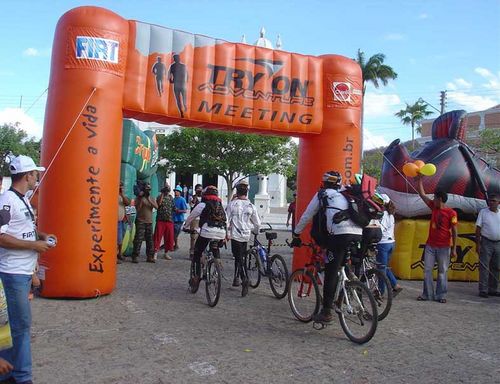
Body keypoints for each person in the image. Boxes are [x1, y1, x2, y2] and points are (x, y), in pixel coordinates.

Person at [0, 155, 57, 384]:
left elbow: (23, 230)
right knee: (21, 326)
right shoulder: (7, 200)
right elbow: (1, 236)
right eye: (35, 173)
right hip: (12, 272)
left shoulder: (22, 199)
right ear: (27, 176)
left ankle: (10, 372)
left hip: (23, 273)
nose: (37, 177)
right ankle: (23, 378)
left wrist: (42, 236)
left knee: (15, 326)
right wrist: (35, 245)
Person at [291, 171, 363, 323]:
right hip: (358, 233)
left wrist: (296, 233)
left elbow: (307, 215)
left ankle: (326, 312)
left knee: (330, 271)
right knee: (340, 262)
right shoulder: (346, 193)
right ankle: (350, 277)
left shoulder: (323, 195)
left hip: (340, 235)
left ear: (324, 183)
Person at [416, 176, 457, 303]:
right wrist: (420, 181)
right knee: (427, 270)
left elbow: (455, 231)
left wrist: (454, 248)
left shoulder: (452, 214)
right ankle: (427, 294)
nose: (433, 199)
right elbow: (422, 195)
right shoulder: (433, 207)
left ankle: (441, 295)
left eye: (434, 197)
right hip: (430, 246)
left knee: (442, 271)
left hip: (444, 247)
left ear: (440, 199)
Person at [183, 186, 227, 290]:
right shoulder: (221, 206)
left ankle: (197, 276)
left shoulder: (202, 205)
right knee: (215, 248)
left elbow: (191, 217)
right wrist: (226, 235)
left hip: (207, 232)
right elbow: (226, 220)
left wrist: (185, 227)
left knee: (197, 253)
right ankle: (217, 265)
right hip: (221, 232)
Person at [226, 181, 261, 296]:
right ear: (247, 192)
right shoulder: (251, 206)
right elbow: (258, 223)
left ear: (237, 191)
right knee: (242, 257)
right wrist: (255, 231)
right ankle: (237, 278)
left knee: (239, 257)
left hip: (235, 235)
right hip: (246, 235)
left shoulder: (232, 204)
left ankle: (244, 278)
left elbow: (226, 220)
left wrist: (226, 233)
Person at [376, 194, 403, 296]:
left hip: (382, 244)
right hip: (391, 243)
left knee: (381, 269)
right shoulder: (391, 214)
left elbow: (380, 230)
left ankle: (380, 292)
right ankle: (395, 285)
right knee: (384, 267)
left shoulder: (382, 215)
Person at [475, 194, 500, 298]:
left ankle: (493, 289)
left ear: (498, 202)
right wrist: (478, 244)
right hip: (486, 242)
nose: (491, 202)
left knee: (496, 267)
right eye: (490, 201)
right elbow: (478, 228)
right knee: (484, 266)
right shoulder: (483, 212)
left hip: (498, 243)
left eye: (494, 201)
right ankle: (483, 290)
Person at [131, 182, 158, 263]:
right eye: (147, 188)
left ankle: (150, 256)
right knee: (138, 239)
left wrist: (149, 199)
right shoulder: (139, 198)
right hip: (140, 221)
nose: (148, 190)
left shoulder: (152, 198)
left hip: (149, 222)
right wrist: (141, 200)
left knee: (150, 240)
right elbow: (137, 209)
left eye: (149, 189)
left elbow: (156, 207)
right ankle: (135, 256)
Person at [153, 185, 175, 261]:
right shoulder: (159, 196)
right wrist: (162, 194)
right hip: (160, 220)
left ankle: (166, 253)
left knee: (169, 237)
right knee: (157, 237)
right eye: (166, 189)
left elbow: (173, 207)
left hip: (169, 220)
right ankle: (155, 252)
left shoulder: (171, 198)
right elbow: (158, 204)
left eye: (168, 189)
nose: (167, 191)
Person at [188, 184, 203, 259]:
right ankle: (192, 251)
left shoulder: (204, 198)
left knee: (201, 236)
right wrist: (195, 197)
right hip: (194, 219)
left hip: (202, 219)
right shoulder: (192, 197)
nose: (200, 191)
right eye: (198, 189)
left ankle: (199, 251)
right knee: (193, 236)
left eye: (201, 189)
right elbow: (191, 205)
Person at [117, 182, 131, 263]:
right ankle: (115, 256)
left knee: (121, 239)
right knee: (117, 239)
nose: (121, 188)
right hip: (115, 221)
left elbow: (128, 204)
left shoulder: (123, 196)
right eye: (119, 186)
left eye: (122, 186)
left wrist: (122, 194)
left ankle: (119, 254)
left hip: (122, 220)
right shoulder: (112, 194)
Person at [173, 186, 188, 251]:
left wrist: (178, 210)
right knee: (173, 234)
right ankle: (175, 245)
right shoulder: (173, 199)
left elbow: (185, 210)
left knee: (175, 234)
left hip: (179, 220)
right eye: (175, 191)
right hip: (173, 219)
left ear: (179, 192)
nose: (175, 192)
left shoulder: (182, 200)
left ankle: (176, 245)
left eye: (177, 191)